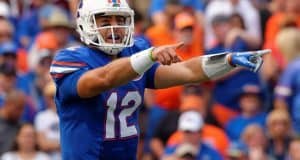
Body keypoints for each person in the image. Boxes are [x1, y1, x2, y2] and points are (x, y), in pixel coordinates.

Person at [49, 0, 269, 159]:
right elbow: (103, 79)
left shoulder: (135, 52)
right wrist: (148, 56)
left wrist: (228, 59)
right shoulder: (70, 59)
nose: (114, 27)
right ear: (84, 23)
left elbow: (187, 72)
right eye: (105, 21)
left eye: (120, 20)